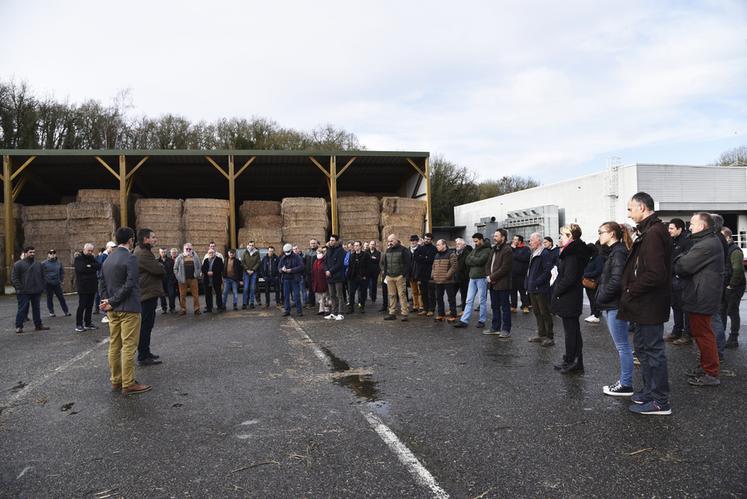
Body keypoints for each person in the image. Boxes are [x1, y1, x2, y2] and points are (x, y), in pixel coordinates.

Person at [618, 192, 673, 415]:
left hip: (649, 303)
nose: (629, 213)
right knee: (643, 347)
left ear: (642, 207)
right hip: (644, 305)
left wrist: (631, 290)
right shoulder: (649, 231)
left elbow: (655, 273)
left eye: (630, 209)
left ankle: (660, 401)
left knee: (653, 351)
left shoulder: (653, 232)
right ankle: (650, 392)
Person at [673, 213, 724, 387]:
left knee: (704, 335)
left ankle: (710, 372)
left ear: (702, 226)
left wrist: (679, 258)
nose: (690, 227)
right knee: (701, 334)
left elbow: (682, 265)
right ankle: (705, 367)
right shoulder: (705, 242)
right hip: (699, 294)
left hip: (702, 296)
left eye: (692, 224)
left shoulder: (706, 244)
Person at [99, 227, 150, 396]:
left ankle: (116, 380)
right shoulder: (131, 258)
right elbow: (130, 284)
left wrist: (107, 301)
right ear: (130, 240)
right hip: (129, 308)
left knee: (114, 345)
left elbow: (102, 283)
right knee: (129, 346)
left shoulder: (108, 259)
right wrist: (112, 301)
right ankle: (128, 383)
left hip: (112, 309)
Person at [596, 222, 634, 396]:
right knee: (622, 346)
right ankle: (625, 382)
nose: (599, 236)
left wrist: (601, 298)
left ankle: (626, 384)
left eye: (601, 232)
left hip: (615, 305)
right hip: (613, 304)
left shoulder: (618, 253)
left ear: (612, 234)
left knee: (623, 346)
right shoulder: (615, 251)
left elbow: (616, 281)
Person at [550, 224, 590, 375]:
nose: (560, 237)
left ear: (570, 236)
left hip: (570, 297)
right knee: (571, 331)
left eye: (563, 235)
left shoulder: (572, 254)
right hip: (570, 296)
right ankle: (571, 359)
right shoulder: (571, 252)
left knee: (571, 332)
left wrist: (557, 290)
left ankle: (574, 362)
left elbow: (570, 277)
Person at [134, 229, 165, 366]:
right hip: (147, 294)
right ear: (145, 239)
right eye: (153, 237)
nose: (155, 239)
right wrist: (161, 266)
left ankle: (145, 352)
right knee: (146, 326)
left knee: (147, 325)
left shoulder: (142, 251)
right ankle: (143, 355)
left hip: (146, 292)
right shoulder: (144, 254)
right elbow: (159, 270)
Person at [453, 233, 491, 329]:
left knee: (482, 300)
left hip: (482, 277)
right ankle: (464, 320)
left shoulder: (487, 250)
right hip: (473, 277)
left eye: (476, 241)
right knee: (469, 300)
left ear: (481, 239)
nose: (475, 243)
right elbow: (467, 260)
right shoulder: (475, 249)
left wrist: (473, 260)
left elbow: (481, 261)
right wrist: (475, 260)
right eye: (474, 241)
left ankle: (482, 320)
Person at [11, 246, 49, 334]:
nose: (32, 254)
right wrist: (20, 288)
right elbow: (14, 278)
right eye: (30, 252)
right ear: (25, 253)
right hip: (24, 292)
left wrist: (42, 286)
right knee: (22, 309)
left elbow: (43, 276)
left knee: (36, 309)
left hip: (36, 291)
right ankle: (19, 326)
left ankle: (38, 325)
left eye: (33, 252)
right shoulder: (18, 264)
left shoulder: (38, 264)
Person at [526, 233, 554, 347]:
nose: (530, 242)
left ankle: (549, 337)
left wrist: (537, 282)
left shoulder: (545, 253)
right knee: (537, 312)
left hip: (540, 288)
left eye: (531, 240)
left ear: (538, 241)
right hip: (533, 288)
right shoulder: (534, 253)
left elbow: (547, 271)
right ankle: (541, 334)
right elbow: (530, 271)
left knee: (545, 312)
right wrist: (527, 283)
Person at [667, 218, 693, 344]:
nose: (669, 231)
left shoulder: (687, 241)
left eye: (671, 228)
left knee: (685, 308)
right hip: (672, 279)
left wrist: (678, 274)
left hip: (682, 279)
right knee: (676, 306)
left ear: (680, 229)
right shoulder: (672, 240)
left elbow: (686, 262)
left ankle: (687, 335)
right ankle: (676, 331)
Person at [485, 229, 513, 337]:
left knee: (505, 307)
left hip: (503, 283)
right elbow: (487, 264)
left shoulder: (507, 250)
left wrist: (492, 277)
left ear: (503, 237)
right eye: (494, 235)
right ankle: (495, 327)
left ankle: (506, 329)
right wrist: (489, 276)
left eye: (496, 236)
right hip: (492, 283)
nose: (494, 237)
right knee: (494, 306)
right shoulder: (493, 249)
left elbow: (505, 268)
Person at [722, 227, 745, 348]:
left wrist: (732, 285)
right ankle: (721, 338)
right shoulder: (724, 249)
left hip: (733, 287)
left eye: (722, 237)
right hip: (725, 286)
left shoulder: (735, 251)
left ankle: (733, 338)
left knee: (732, 312)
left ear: (729, 237)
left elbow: (738, 270)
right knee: (722, 312)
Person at [382, 234, 412, 322]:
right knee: (391, 295)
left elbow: (408, 264)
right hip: (389, 276)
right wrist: (386, 275)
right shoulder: (387, 251)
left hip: (399, 276)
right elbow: (385, 264)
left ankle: (404, 313)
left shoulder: (403, 250)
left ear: (396, 240)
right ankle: (392, 313)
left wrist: (403, 275)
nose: (389, 243)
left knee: (402, 295)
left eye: (391, 241)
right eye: (388, 241)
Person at [74, 243, 101, 332]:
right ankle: (79, 324)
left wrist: (89, 266)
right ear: (84, 249)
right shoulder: (78, 258)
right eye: (88, 250)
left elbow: (98, 266)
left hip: (92, 286)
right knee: (82, 306)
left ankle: (88, 323)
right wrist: (90, 267)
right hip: (83, 287)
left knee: (90, 306)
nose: (90, 252)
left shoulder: (92, 258)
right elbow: (81, 269)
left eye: (91, 251)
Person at [430, 239, 458, 322]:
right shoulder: (436, 255)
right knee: (439, 298)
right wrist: (433, 275)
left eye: (438, 244)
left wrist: (447, 276)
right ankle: (440, 314)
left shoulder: (451, 254)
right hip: (438, 280)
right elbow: (433, 266)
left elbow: (454, 266)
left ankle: (453, 315)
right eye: (437, 245)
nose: (437, 246)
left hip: (448, 281)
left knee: (451, 298)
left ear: (444, 245)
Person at [174, 243, 202, 315]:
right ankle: (183, 309)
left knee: (195, 295)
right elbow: (175, 268)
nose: (188, 250)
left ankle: (197, 309)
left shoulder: (195, 257)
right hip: (183, 280)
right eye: (187, 249)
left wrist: (197, 274)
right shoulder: (180, 257)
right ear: (184, 249)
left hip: (193, 279)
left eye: (190, 249)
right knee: (182, 295)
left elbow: (199, 266)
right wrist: (178, 277)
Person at [414, 233, 437, 317]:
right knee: (423, 292)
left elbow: (431, 260)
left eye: (428, 239)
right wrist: (424, 257)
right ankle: (425, 308)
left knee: (431, 293)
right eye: (425, 239)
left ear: (431, 240)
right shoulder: (421, 248)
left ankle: (431, 309)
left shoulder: (434, 249)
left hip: (430, 273)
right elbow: (416, 257)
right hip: (422, 274)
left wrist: (422, 258)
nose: (426, 240)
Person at [279, 243, 304, 317]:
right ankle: (287, 310)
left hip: (294, 279)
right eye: (285, 252)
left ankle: (299, 311)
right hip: (286, 279)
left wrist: (291, 270)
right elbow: (279, 267)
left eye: (288, 252)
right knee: (286, 296)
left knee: (296, 295)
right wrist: (282, 270)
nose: (287, 253)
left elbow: (301, 266)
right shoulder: (283, 258)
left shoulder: (297, 257)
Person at [324, 234, 346, 320]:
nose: (331, 241)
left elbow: (339, 264)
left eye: (333, 240)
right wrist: (326, 270)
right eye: (330, 240)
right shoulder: (329, 250)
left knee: (339, 295)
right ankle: (333, 312)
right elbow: (325, 261)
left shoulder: (340, 250)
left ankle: (340, 313)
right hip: (329, 276)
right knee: (332, 295)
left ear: (336, 241)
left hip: (337, 276)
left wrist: (330, 271)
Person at [42, 249, 70, 317]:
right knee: (49, 298)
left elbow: (62, 272)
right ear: (48, 254)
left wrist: (61, 280)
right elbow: (41, 273)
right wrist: (44, 281)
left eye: (54, 253)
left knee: (61, 298)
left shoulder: (59, 263)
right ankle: (51, 312)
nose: (52, 254)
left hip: (57, 283)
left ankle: (66, 311)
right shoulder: (44, 263)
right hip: (48, 284)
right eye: (51, 253)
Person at [582, 242, 606, 324]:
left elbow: (598, 271)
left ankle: (596, 314)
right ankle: (593, 313)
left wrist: (585, 274)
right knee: (591, 299)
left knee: (594, 299)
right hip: (588, 281)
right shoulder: (589, 258)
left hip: (594, 281)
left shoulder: (598, 258)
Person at [346, 241, 370, 314]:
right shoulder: (352, 255)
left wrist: (365, 276)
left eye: (357, 245)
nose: (355, 247)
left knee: (362, 294)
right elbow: (350, 267)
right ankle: (351, 308)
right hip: (353, 277)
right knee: (351, 293)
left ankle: (361, 307)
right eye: (355, 246)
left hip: (362, 277)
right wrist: (349, 276)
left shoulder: (366, 255)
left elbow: (368, 267)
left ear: (360, 246)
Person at [96, 241, 116, 323]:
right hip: (103, 278)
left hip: (106, 278)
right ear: (108, 247)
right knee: (103, 295)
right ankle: (104, 314)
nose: (113, 249)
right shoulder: (104, 256)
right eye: (112, 247)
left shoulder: (108, 255)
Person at [509, 235, 531, 313]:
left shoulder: (526, 249)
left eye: (515, 239)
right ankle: (513, 306)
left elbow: (524, 258)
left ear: (520, 241)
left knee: (522, 291)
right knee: (512, 291)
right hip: (512, 274)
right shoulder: (510, 249)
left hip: (521, 274)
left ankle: (525, 306)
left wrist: (514, 250)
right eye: (513, 239)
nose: (513, 241)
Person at [201, 248, 224, 313]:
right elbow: (203, 268)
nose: (211, 254)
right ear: (208, 254)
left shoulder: (219, 260)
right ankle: (209, 307)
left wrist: (213, 272)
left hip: (216, 279)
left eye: (212, 253)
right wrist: (207, 272)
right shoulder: (206, 260)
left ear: (215, 253)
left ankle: (219, 307)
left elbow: (221, 268)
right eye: (209, 253)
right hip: (207, 280)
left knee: (218, 293)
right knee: (208, 294)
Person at [240, 241, 261, 309]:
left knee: (252, 288)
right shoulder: (245, 252)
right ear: (248, 245)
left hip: (253, 272)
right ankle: (244, 303)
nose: (251, 246)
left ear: (254, 246)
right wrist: (247, 269)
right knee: (245, 288)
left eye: (252, 245)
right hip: (246, 272)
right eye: (250, 245)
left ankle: (252, 303)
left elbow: (258, 262)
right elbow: (242, 262)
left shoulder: (257, 253)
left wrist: (253, 270)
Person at [454, 238, 472, 311]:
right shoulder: (455, 253)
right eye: (456, 244)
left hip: (464, 278)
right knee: (452, 294)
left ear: (464, 245)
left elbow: (468, 267)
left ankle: (464, 310)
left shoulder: (467, 253)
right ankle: (452, 309)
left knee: (464, 295)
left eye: (459, 244)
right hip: (455, 277)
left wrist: (465, 276)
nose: (457, 245)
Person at [159, 248, 178, 314]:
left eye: (164, 252)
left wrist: (173, 279)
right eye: (162, 252)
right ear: (160, 253)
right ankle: (164, 308)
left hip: (170, 280)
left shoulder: (170, 260)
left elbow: (174, 270)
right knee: (162, 295)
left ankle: (172, 308)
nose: (163, 253)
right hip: (161, 281)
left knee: (171, 294)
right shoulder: (157, 261)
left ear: (166, 252)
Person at [311, 247, 330, 315]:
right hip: (317, 281)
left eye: (319, 253)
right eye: (317, 253)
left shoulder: (325, 261)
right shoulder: (316, 261)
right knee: (320, 297)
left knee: (325, 296)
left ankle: (326, 310)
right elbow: (313, 271)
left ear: (323, 253)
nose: (318, 254)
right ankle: (321, 310)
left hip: (324, 281)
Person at [408, 235, 423, 313]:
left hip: (419, 273)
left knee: (420, 291)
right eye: (411, 241)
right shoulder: (408, 250)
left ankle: (421, 306)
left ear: (417, 241)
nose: (412, 242)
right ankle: (415, 306)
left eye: (414, 240)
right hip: (411, 274)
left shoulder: (420, 249)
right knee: (414, 291)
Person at [303, 239, 320, 309]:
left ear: (316, 244)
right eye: (311, 243)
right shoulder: (307, 252)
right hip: (309, 273)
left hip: (317, 273)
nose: (312, 244)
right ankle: (311, 303)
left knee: (320, 289)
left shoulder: (319, 251)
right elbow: (303, 262)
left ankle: (323, 304)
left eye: (314, 243)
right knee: (310, 289)